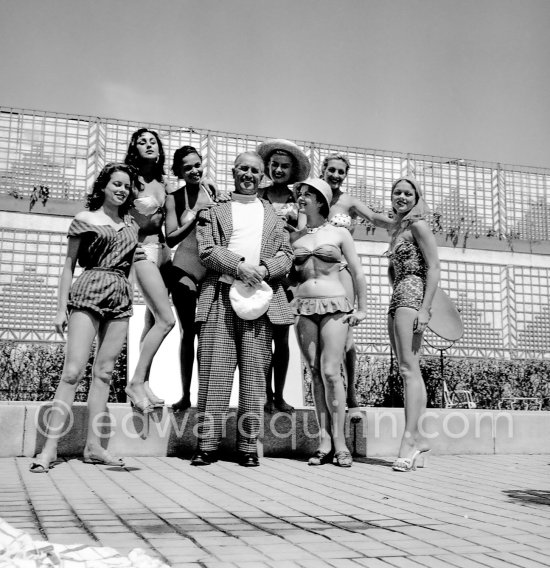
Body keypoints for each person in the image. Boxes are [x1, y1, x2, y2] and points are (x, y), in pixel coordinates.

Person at [29, 163, 139, 472]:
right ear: (103, 186)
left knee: (104, 374)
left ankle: (93, 447)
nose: (121, 189)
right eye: (116, 183)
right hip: (88, 290)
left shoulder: (132, 224)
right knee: (72, 372)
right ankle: (50, 448)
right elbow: (68, 265)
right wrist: (60, 307)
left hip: (119, 295)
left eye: (127, 186)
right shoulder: (85, 219)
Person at [191, 151, 293, 467]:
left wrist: (262, 269)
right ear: (234, 172)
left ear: (263, 177)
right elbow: (206, 251)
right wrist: (239, 267)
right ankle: (206, 445)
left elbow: (287, 255)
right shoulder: (213, 210)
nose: (248, 175)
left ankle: (248, 447)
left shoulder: (277, 217)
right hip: (219, 295)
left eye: (254, 171)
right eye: (243, 169)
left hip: (261, 298)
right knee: (215, 373)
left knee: (254, 375)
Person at [290, 178, 377, 468]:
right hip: (303, 307)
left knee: (330, 371)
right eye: (300, 194)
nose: (301, 198)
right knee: (314, 372)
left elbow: (358, 272)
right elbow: (290, 276)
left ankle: (341, 443)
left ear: (321, 201)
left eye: (307, 195)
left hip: (335, 304)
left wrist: (362, 308)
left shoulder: (339, 233)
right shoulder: (295, 238)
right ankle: (324, 440)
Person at [320, 153, 383, 423]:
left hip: (342, 273)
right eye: (331, 170)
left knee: (346, 340)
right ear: (322, 170)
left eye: (340, 172)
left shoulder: (349, 202)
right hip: (315, 276)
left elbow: (377, 218)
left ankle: (353, 395)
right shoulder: (311, 194)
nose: (335, 175)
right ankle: (327, 397)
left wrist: (406, 219)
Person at [384, 177, 439, 471]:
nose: (401, 197)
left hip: (413, 296)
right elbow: (394, 271)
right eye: (397, 192)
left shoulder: (418, 226)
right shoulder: (397, 230)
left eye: (408, 193)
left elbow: (434, 267)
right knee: (408, 368)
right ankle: (418, 438)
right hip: (397, 296)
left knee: (409, 368)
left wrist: (425, 308)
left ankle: (409, 440)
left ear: (417, 197)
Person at [257, 139, 311, 414]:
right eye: (275, 165)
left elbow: (301, 233)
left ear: (292, 171)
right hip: (261, 271)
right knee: (261, 340)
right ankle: (264, 395)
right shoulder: (258, 194)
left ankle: (280, 395)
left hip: (287, 275)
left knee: (282, 339)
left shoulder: (297, 200)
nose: (279, 170)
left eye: (285, 166)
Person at [124, 128, 175, 413]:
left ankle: (144, 383)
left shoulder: (164, 183)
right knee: (167, 320)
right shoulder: (131, 181)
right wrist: (130, 245)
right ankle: (134, 382)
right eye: (142, 142)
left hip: (164, 253)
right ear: (135, 148)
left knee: (151, 321)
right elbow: (120, 216)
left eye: (152, 141)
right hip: (142, 252)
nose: (148, 145)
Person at [165, 145, 218, 412]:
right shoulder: (174, 198)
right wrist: (195, 218)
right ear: (179, 172)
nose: (195, 170)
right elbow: (170, 237)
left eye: (198, 164)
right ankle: (185, 395)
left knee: (207, 336)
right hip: (184, 267)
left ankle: (205, 397)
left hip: (208, 271)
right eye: (188, 167)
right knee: (189, 333)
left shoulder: (214, 192)